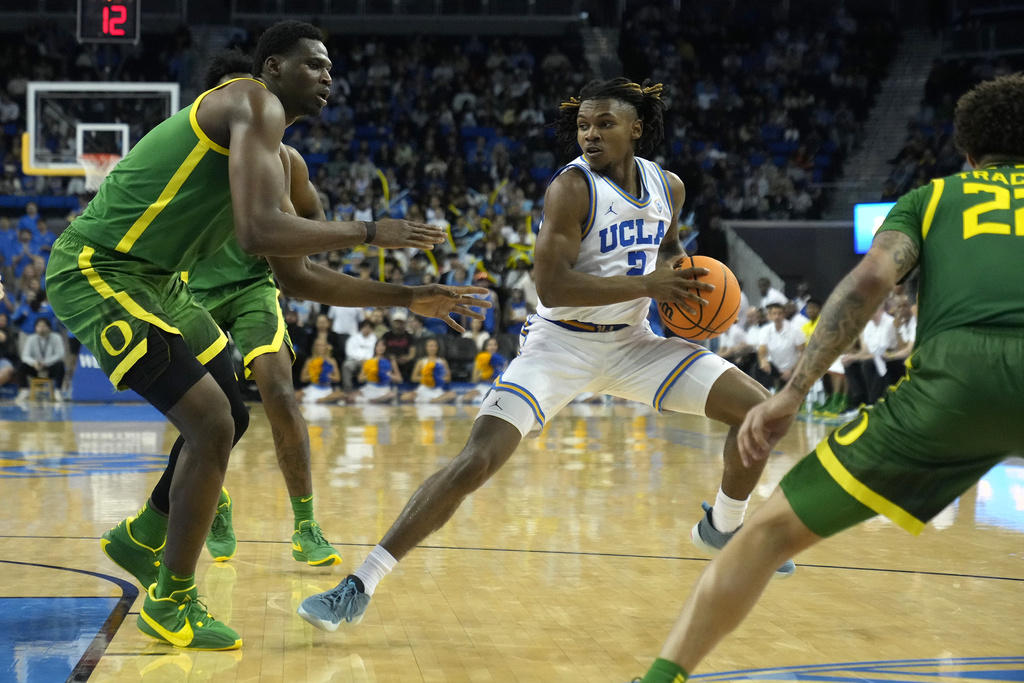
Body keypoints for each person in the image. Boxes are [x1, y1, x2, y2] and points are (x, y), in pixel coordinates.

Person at [297, 77, 793, 633]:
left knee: (765, 412)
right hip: (561, 344)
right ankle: (358, 584)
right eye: (583, 124)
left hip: (634, 344)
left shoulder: (667, 185)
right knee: (475, 463)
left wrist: (686, 284)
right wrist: (648, 288)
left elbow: (670, 249)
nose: (590, 134)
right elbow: (553, 288)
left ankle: (724, 526)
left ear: (636, 128)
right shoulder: (572, 189)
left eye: (604, 123)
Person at [44, 22, 480, 651]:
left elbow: (298, 279)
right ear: (272, 68)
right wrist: (368, 230)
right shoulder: (253, 101)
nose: (328, 76)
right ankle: (171, 601)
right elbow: (257, 233)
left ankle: (143, 536)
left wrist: (410, 298)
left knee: (234, 408)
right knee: (212, 425)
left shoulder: (280, 160)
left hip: (160, 283)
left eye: (331, 67)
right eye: (313, 64)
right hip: (100, 269)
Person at [636, 72, 1024, 683]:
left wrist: (792, 392)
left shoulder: (935, 198)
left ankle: (659, 679)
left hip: (954, 389)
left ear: (968, 154)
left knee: (762, 537)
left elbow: (869, 283)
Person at [17, 317, 65, 399]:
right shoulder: (31, 338)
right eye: (39, 326)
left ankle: (58, 391)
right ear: (35, 328)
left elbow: (60, 354)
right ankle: (24, 390)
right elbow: (25, 355)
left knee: (60, 365)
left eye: (44, 326)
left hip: (50, 366)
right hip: (35, 367)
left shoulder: (56, 337)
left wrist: (46, 363)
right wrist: (34, 363)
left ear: (49, 328)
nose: (41, 329)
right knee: (21, 366)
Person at [399, 336, 456, 404]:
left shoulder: (442, 361)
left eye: (434, 346)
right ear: (426, 348)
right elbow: (413, 378)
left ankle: (431, 400)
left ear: (437, 348)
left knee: (452, 394)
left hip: (437, 389)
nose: (432, 348)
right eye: (430, 346)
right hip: (423, 388)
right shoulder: (421, 361)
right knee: (404, 396)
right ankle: (430, 400)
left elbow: (448, 378)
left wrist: (437, 379)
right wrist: (427, 379)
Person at [347, 338, 401, 404]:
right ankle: (371, 401)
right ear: (375, 347)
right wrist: (372, 375)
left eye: (383, 346)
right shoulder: (370, 361)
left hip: (383, 389)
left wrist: (387, 375)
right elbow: (360, 378)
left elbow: (399, 378)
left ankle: (372, 400)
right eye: (378, 346)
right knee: (350, 397)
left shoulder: (391, 360)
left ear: (386, 347)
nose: (380, 348)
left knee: (391, 395)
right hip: (371, 387)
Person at [295, 338, 345, 404]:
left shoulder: (332, 361)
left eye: (323, 345)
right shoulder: (310, 360)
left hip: (327, 389)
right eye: (318, 345)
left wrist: (327, 375)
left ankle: (320, 400)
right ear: (314, 347)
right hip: (313, 387)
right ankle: (318, 400)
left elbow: (337, 378)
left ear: (326, 347)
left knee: (341, 394)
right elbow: (303, 378)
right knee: (295, 395)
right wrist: (315, 375)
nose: (320, 347)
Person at [462, 336, 507, 403]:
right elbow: (474, 379)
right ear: (485, 347)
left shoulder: (503, 360)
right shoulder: (480, 359)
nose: (493, 347)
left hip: (496, 388)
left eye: (495, 345)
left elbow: (505, 379)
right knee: (467, 397)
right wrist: (483, 373)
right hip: (483, 386)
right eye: (490, 345)